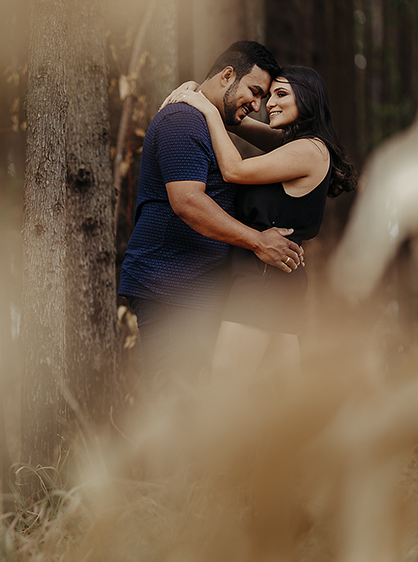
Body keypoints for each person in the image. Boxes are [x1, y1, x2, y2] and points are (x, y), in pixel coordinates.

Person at [119, 41, 304, 397]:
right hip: (169, 289)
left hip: (203, 292)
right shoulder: (181, 120)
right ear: (227, 75)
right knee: (174, 405)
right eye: (254, 91)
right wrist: (258, 240)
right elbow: (188, 203)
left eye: (264, 98)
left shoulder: (207, 119)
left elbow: (290, 145)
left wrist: (206, 102)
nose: (258, 105)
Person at [164, 65, 355, 390]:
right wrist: (202, 93)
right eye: (268, 96)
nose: (269, 104)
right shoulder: (293, 143)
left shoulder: (309, 149)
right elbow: (236, 122)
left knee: (224, 384)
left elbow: (234, 170)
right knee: (281, 396)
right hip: (273, 275)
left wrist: (205, 108)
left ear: (306, 101)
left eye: (282, 95)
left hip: (264, 277)